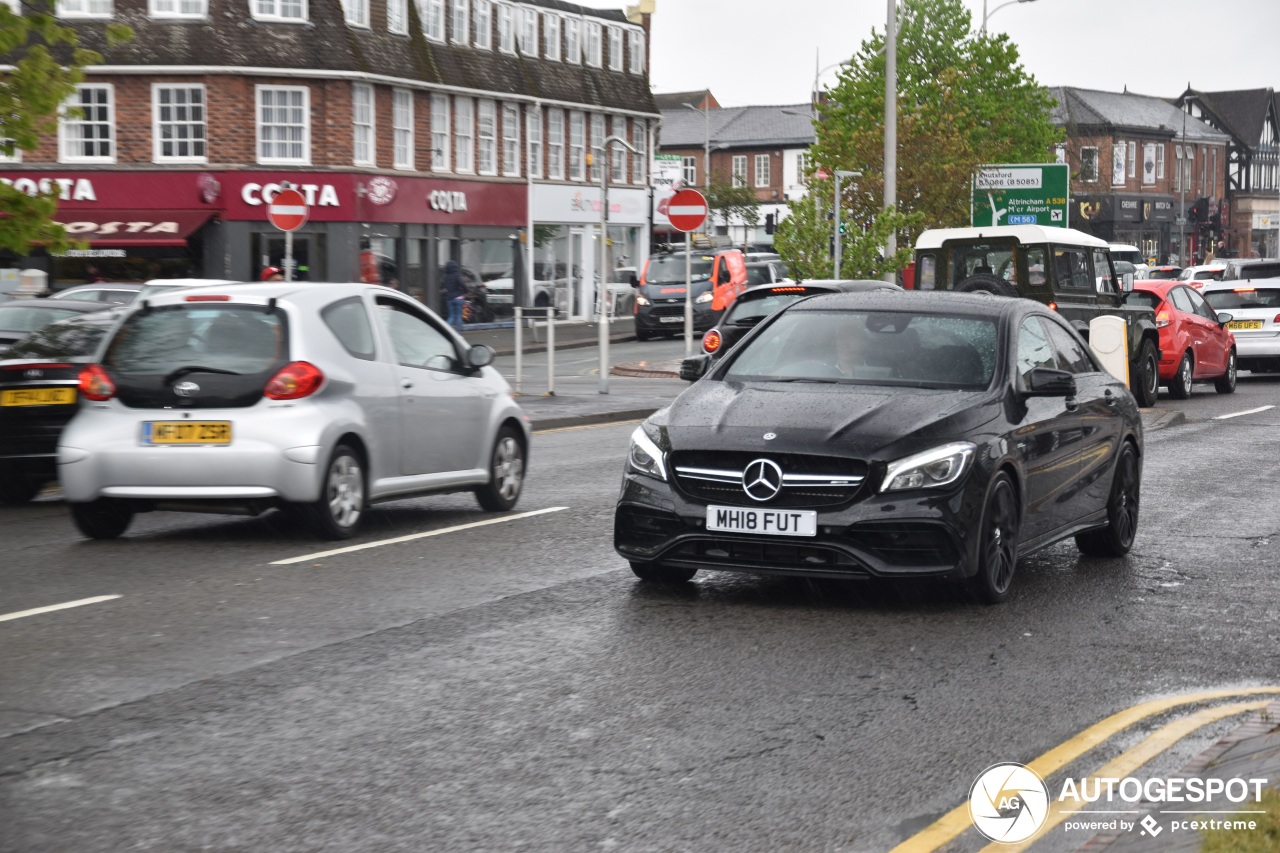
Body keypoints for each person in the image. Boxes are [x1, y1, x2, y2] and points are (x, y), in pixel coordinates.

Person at [442, 260, 467, 330]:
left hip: (449, 298)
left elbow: (442, 285)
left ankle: (445, 331)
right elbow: (462, 284)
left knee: (451, 316)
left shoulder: (445, 276)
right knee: (459, 316)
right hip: (459, 298)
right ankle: (457, 334)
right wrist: (465, 291)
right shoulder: (457, 275)